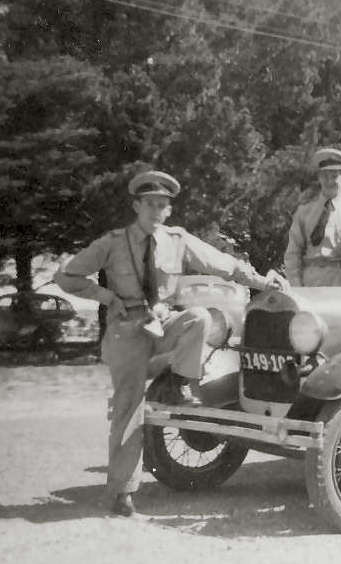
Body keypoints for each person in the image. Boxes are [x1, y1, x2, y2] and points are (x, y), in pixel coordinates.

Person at [54, 170, 287, 518]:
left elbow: (224, 265)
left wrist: (263, 282)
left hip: (162, 325)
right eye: (149, 204)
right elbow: (67, 276)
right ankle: (122, 492)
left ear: (168, 211)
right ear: (136, 206)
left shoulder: (178, 240)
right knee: (129, 410)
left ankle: (180, 383)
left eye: (162, 205)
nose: (155, 210)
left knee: (199, 317)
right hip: (128, 332)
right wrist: (106, 296)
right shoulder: (113, 242)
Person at [283, 148, 341, 286]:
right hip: (311, 279)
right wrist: (296, 285)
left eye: (334, 176)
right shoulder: (304, 211)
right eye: (325, 176)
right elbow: (293, 252)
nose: (329, 181)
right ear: (319, 178)